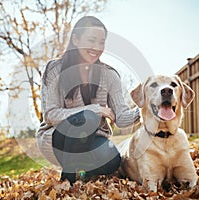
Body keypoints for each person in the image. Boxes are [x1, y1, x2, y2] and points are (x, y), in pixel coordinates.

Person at [36, 16, 140, 185]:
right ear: (75, 39)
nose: (97, 47)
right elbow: (50, 115)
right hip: (58, 139)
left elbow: (120, 118)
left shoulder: (110, 75)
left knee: (112, 160)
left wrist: (145, 109)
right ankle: (68, 178)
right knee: (88, 118)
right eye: (91, 40)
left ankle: (81, 172)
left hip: (91, 139)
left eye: (101, 42)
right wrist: (95, 110)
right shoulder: (54, 69)